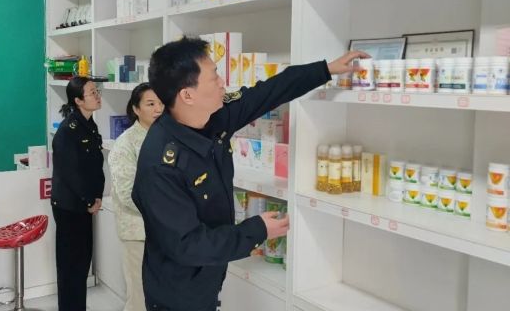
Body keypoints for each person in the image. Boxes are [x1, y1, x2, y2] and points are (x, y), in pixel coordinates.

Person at [131, 36, 368, 311]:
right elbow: (188, 245)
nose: (222, 82)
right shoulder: (160, 164)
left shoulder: (214, 119)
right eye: (214, 77)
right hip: (176, 294)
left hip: (207, 278)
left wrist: (325, 69)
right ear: (187, 95)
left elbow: (268, 92)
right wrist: (257, 230)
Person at [51, 76, 105, 311]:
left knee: (82, 264)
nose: (97, 96)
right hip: (70, 207)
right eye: (92, 93)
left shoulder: (89, 125)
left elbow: (94, 166)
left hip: (85, 205)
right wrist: (89, 199)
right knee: (70, 267)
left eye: (96, 91)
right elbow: (70, 173)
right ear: (78, 100)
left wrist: (97, 196)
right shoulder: (68, 130)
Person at [109, 83, 164, 311]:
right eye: (150, 104)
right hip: (138, 232)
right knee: (140, 297)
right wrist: (165, 211)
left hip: (167, 231)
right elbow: (127, 193)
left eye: (161, 103)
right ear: (136, 109)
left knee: (164, 295)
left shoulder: (168, 138)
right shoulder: (125, 144)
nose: (158, 109)